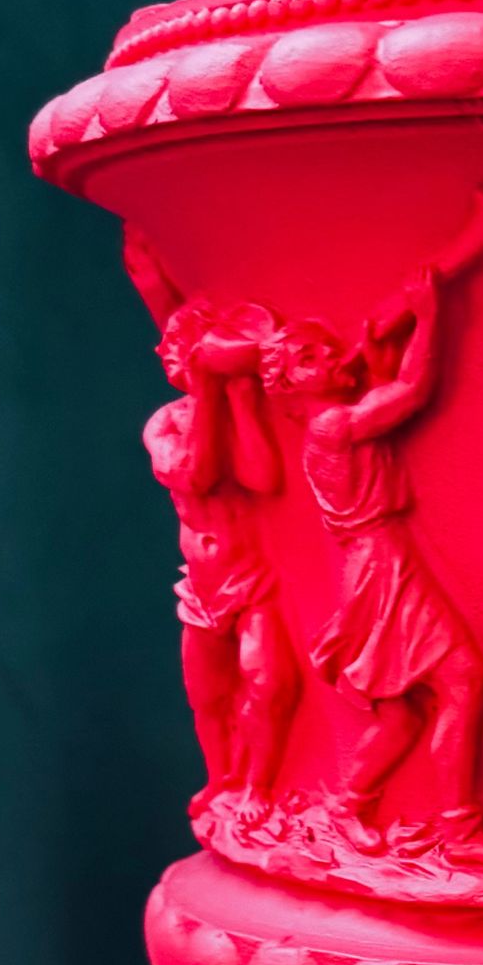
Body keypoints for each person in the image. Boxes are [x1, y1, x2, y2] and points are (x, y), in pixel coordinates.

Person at [261, 270, 483, 869]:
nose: (328, 357)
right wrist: (430, 314)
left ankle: (351, 807)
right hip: (383, 566)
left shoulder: (333, 424)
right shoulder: (332, 424)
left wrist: (378, 351)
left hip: (375, 564)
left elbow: (384, 393)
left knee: (400, 713)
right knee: (462, 678)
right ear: (288, 386)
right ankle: (459, 831)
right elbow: (413, 390)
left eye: (326, 349)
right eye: (308, 358)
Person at [143, 299, 299, 827]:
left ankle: (259, 786)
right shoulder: (165, 423)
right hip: (201, 586)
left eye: (181, 347)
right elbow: (195, 475)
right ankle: (221, 779)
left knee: (269, 684)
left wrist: (239, 399)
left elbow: (262, 478)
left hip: (249, 578)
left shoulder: (233, 409)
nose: (168, 354)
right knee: (207, 693)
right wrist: (211, 393)